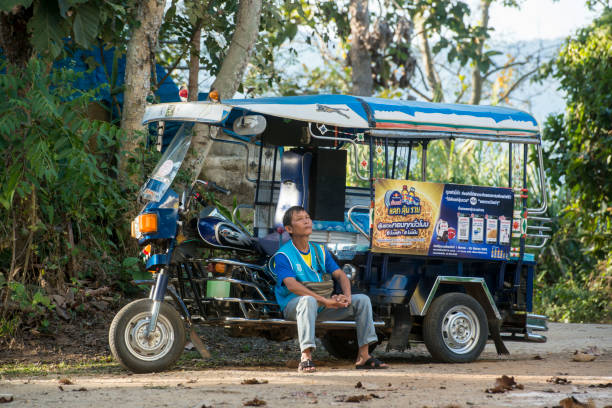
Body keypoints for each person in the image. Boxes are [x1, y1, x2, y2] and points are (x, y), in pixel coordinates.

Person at [270, 206, 388, 373]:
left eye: (308, 217)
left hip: (322, 305)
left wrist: (346, 297)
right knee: (308, 300)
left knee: (362, 300)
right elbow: (291, 285)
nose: (306, 221)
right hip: (295, 306)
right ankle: (306, 357)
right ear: (289, 229)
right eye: (300, 219)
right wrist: (325, 300)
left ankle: (364, 356)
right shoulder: (284, 255)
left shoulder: (320, 250)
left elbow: (340, 275)